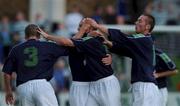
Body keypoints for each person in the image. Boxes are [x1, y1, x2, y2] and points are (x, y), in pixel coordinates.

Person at [38, 20, 121, 106]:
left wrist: (48, 36)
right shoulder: (81, 39)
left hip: (101, 82)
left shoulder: (91, 40)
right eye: (80, 25)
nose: (79, 27)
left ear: (89, 28)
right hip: (82, 84)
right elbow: (70, 41)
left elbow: (68, 42)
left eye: (82, 25)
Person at [86, 14, 160, 106]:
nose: (136, 23)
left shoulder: (143, 39)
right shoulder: (146, 41)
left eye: (140, 21)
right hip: (148, 87)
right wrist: (107, 42)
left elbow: (122, 37)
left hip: (145, 88)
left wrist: (97, 26)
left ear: (147, 27)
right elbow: (125, 50)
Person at [2, 24, 69, 106]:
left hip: (23, 87)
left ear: (25, 36)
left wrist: (8, 91)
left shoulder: (15, 49)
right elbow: (68, 44)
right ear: (39, 35)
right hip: (42, 85)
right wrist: (48, 37)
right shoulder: (48, 46)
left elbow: (6, 73)